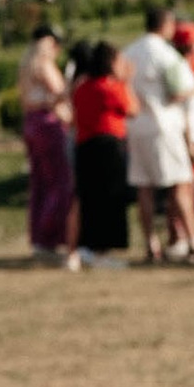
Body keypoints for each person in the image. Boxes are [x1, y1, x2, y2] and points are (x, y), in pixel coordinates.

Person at [124, 2, 194, 263]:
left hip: (137, 126)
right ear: (165, 25)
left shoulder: (130, 52)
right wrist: (191, 92)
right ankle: (193, 239)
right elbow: (177, 91)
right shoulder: (166, 55)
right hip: (164, 126)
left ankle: (151, 243)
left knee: (144, 188)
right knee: (179, 184)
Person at [69, 37, 134, 265]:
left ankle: (87, 245)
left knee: (90, 198)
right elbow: (132, 108)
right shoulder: (110, 87)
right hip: (108, 146)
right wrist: (126, 81)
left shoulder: (82, 86)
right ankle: (102, 250)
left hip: (85, 146)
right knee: (109, 199)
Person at [17, 22, 74, 264]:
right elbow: (58, 92)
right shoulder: (43, 63)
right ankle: (50, 237)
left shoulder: (25, 62)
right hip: (48, 123)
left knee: (39, 182)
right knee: (58, 182)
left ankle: (39, 237)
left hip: (31, 122)